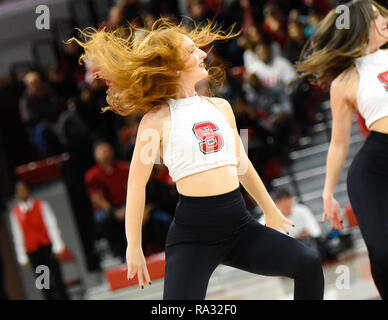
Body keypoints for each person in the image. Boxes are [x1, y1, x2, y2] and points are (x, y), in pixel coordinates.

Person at [68, 17, 324, 300]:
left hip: (240, 225)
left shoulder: (222, 107)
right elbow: (136, 186)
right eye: (191, 51)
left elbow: (243, 165)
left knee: (308, 264)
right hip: (194, 235)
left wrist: (270, 209)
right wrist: (134, 245)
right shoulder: (154, 122)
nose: (203, 53)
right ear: (171, 65)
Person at [295, 0, 388, 300]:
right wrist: (327, 193)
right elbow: (338, 143)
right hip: (373, 169)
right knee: (384, 251)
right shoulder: (345, 81)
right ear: (360, 28)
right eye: (375, 17)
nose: (385, 19)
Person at [9, 182, 69, 300]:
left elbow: (51, 224)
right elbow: (18, 236)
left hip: (47, 246)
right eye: (20, 191)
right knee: (43, 281)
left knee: (57, 277)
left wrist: (57, 245)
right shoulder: (16, 213)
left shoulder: (40, 205)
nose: (22, 193)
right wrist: (22, 256)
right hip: (33, 250)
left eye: (24, 189)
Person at [84, 141, 128, 258]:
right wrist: (114, 212)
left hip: (127, 205)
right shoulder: (92, 175)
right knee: (101, 218)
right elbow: (97, 199)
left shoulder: (125, 168)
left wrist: (127, 208)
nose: (106, 154)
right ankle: (116, 250)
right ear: (96, 156)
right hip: (109, 208)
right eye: (102, 151)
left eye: (107, 150)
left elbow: (132, 190)